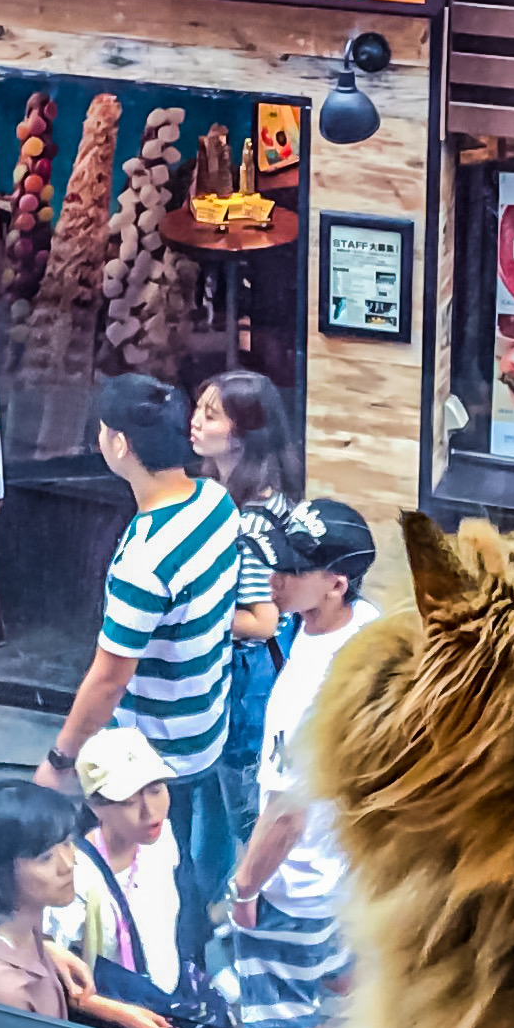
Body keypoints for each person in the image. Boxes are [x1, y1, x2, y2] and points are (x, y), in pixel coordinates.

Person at [39, 374, 256, 989]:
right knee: (189, 855)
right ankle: (191, 957)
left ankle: (165, 980)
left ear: (118, 445)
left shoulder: (144, 556)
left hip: (155, 748)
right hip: (206, 721)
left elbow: (109, 677)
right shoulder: (214, 502)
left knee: (152, 870)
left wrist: (61, 757)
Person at [221, 498, 384, 1028]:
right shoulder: (372, 631)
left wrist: (244, 889)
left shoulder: (303, 692)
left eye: (290, 570)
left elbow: (285, 816)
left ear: (335, 583)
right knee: (341, 964)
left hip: (294, 884)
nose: (274, 578)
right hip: (345, 870)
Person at [0, 781, 179, 1028]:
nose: (68, 863)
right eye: (45, 858)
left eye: (66, 843)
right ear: (0, 871)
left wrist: (51, 952)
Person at [192, 367, 300, 896]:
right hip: (239, 674)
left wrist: (190, 612)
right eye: (199, 409)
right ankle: (205, 916)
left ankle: (260, 903)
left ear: (243, 432)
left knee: (241, 811)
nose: (195, 423)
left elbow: (263, 620)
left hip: (245, 678)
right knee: (213, 807)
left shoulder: (252, 518)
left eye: (211, 415)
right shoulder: (230, 493)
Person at [66, 725, 200, 1028]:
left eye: (156, 790)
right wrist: (123, 1016)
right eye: (128, 800)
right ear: (95, 806)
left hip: (167, 995)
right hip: (119, 1022)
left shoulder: (164, 835)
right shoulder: (74, 873)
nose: (150, 811)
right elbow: (56, 968)